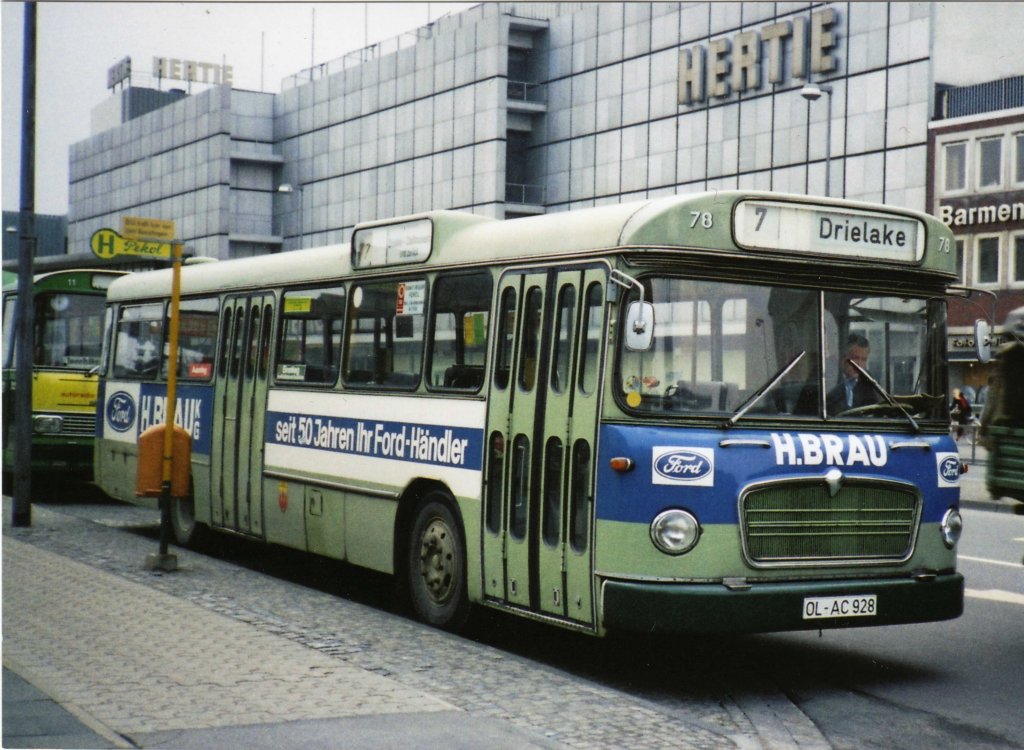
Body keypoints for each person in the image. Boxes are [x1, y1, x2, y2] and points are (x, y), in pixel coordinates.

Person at [825, 333, 878, 414]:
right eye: (855, 358)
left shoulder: (868, 382)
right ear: (842, 358)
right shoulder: (827, 378)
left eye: (863, 359)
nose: (859, 364)